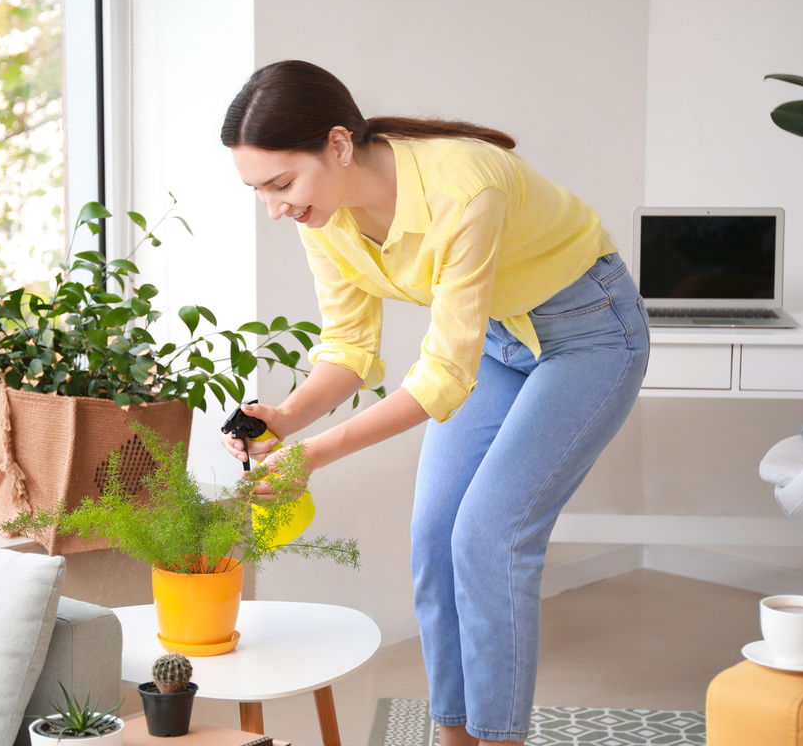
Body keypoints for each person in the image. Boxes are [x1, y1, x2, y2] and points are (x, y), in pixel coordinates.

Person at [218, 60, 649, 746]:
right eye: (258, 191)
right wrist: (288, 417)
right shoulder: (321, 212)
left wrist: (311, 455)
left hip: (590, 333)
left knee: (490, 538)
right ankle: (455, 738)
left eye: (280, 184)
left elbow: (443, 378)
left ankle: (498, 738)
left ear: (336, 144)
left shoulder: (462, 187)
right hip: (500, 341)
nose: (276, 207)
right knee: (433, 538)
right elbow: (350, 349)